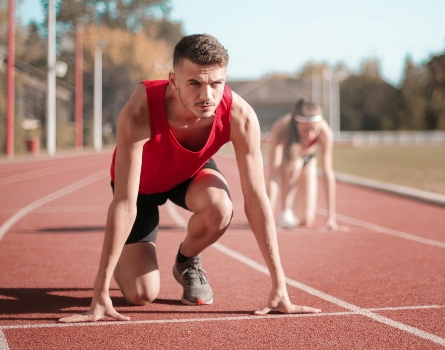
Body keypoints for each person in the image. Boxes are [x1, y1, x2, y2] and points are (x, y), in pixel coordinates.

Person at [59, 34, 320, 323]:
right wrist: (100, 291)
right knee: (141, 295)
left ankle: (186, 261)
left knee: (221, 208)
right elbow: (124, 202)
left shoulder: (240, 116)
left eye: (215, 83)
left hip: (188, 174)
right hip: (141, 187)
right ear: (174, 81)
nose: (207, 95)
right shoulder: (140, 108)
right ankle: (123, 254)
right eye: (194, 83)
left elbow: (256, 199)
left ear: (225, 79)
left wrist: (279, 286)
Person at [265, 99, 345, 231]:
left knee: (305, 220)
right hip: (288, 161)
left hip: (309, 160)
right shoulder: (281, 128)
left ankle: (296, 208)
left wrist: (331, 217)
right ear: (296, 125)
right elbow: (272, 176)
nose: (310, 135)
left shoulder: (325, 132)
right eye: (305, 130)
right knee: (295, 165)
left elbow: (327, 173)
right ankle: (285, 210)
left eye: (315, 130)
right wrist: (267, 218)